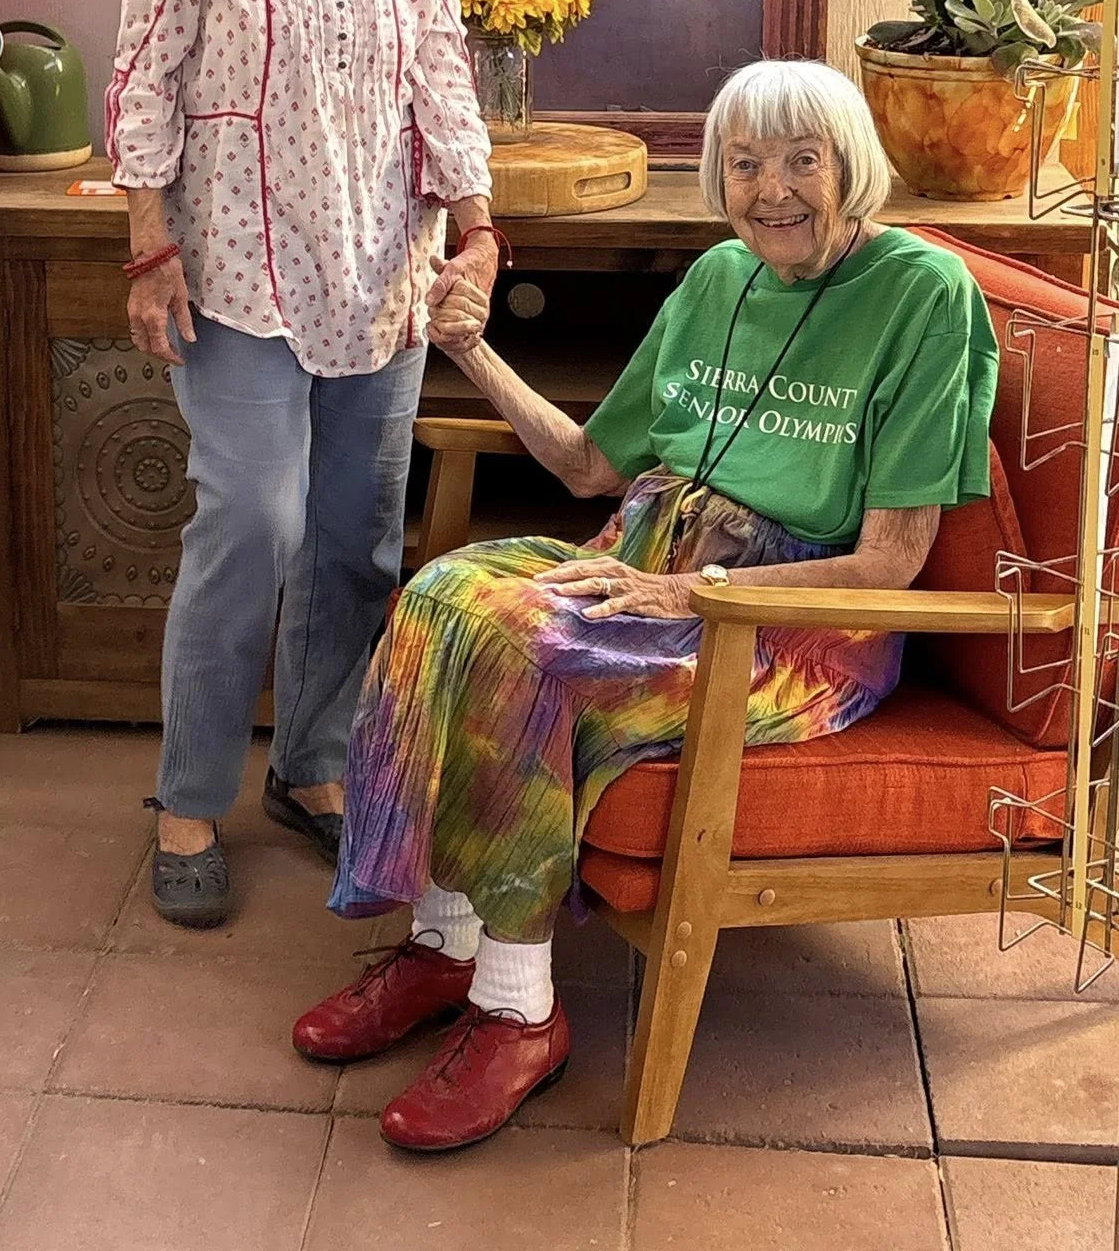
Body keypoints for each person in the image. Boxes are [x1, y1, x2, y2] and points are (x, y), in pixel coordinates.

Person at [292, 58, 998, 1152]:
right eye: (747, 163)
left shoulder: (924, 296)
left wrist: (687, 589)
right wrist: (469, 345)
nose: (773, 189)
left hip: (789, 628)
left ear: (850, 165)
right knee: (436, 597)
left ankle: (518, 1008)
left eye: (803, 160)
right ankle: (445, 939)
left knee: (523, 647)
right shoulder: (718, 277)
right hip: (647, 567)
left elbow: (893, 560)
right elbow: (587, 465)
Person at [107, 0, 497, 931]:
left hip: (382, 256)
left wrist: (479, 223)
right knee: (254, 522)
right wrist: (147, 240)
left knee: (352, 536)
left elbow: (440, 69)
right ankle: (189, 789)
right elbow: (146, 57)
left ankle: (315, 762)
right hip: (234, 258)